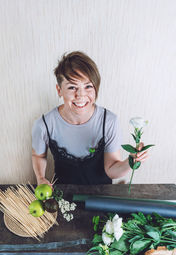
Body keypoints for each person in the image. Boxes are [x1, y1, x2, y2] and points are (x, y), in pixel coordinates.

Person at [32, 51, 148, 186]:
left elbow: (111, 170)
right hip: (62, 196)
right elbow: (38, 155)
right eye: (72, 87)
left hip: (102, 198)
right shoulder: (43, 124)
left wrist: (131, 162)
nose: (81, 95)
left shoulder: (109, 121)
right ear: (59, 90)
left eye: (88, 86)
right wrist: (40, 178)